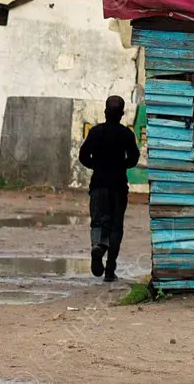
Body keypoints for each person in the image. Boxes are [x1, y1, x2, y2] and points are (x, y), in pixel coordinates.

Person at [78, 95, 140, 282]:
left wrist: (96, 165)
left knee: (98, 221)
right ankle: (110, 269)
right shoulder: (126, 135)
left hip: (98, 185)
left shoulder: (96, 132)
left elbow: (83, 156)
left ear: (105, 112)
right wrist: (121, 165)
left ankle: (98, 245)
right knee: (115, 227)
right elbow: (134, 158)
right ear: (122, 114)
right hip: (118, 186)